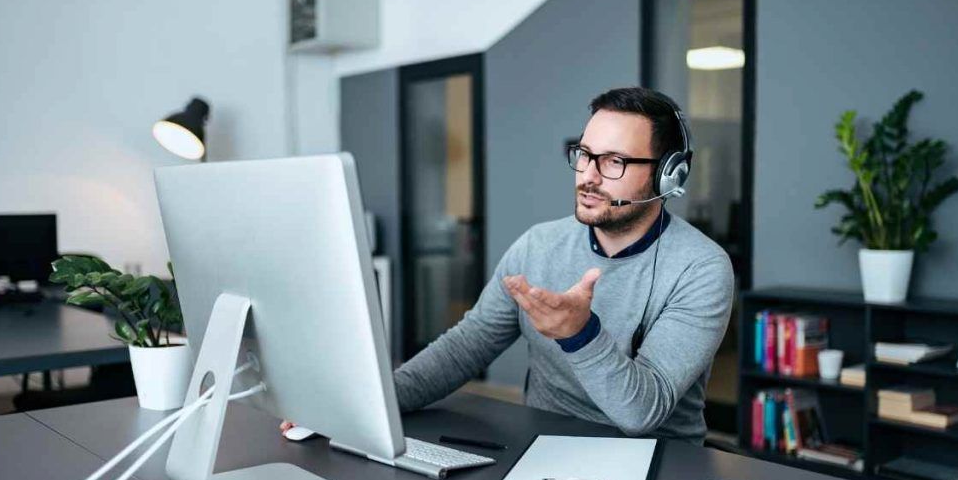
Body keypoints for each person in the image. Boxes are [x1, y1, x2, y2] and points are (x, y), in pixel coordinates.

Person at [285, 87, 734, 444]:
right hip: (543, 448)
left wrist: (580, 333)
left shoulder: (701, 269)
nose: (589, 175)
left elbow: (642, 413)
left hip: (662, 466)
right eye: (584, 154)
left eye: (614, 162)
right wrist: (360, 406)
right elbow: (467, 347)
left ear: (668, 176)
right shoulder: (538, 245)